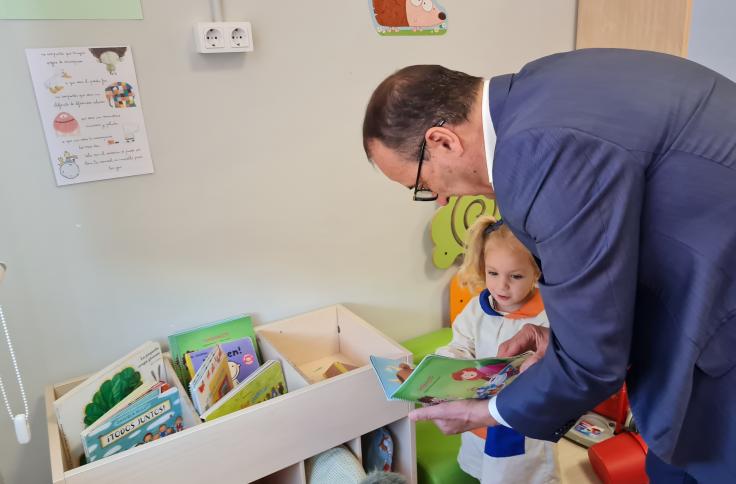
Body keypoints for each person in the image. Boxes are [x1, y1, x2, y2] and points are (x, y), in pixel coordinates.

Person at [362, 49, 736, 482]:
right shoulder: (540, 84)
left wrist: (485, 411)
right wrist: (564, 336)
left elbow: (592, 361)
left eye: (424, 185)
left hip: (720, 326)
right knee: (670, 461)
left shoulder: (538, 155)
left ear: (442, 141)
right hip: (703, 276)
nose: (441, 200)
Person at [433, 215, 558, 483]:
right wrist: (445, 366)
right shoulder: (477, 310)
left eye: (515, 276)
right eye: (493, 273)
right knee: (484, 470)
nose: (502, 286)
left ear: (536, 272)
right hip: (479, 415)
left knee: (521, 474)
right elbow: (460, 345)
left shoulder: (547, 318)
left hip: (522, 422)